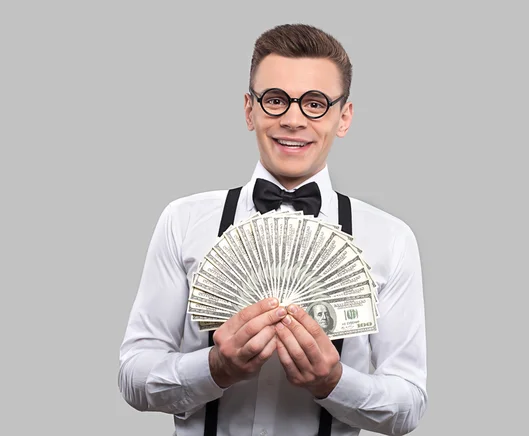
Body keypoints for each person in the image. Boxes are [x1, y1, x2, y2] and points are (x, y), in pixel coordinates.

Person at [118, 23, 427, 436]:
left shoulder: (391, 240)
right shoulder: (182, 221)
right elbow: (133, 376)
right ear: (250, 109)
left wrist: (334, 383)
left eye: (315, 103)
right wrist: (213, 367)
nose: (294, 120)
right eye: (276, 100)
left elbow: (408, 406)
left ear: (344, 116)